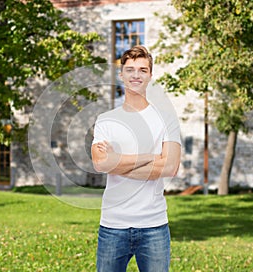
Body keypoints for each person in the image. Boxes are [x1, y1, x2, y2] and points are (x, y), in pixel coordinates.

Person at [91, 45, 181, 272]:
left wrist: (117, 162)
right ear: (121, 75)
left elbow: (170, 166)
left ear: (150, 75)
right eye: (130, 70)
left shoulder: (166, 118)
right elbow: (101, 163)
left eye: (142, 70)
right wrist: (151, 157)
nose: (136, 75)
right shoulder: (106, 119)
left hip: (154, 226)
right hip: (113, 225)